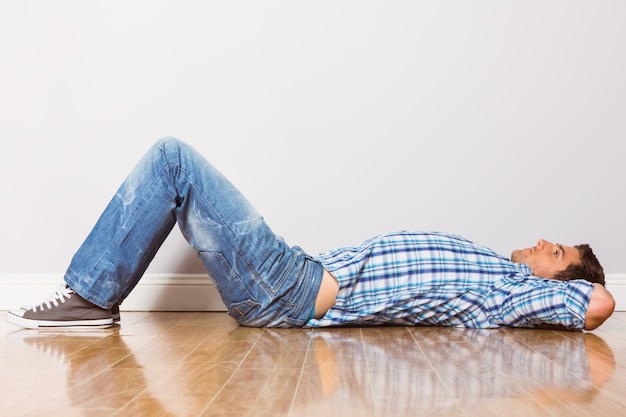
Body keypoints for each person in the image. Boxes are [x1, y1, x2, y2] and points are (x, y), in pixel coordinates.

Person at [6, 138, 615, 331]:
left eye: (555, 251)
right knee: (176, 169)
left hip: (288, 290)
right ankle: (95, 295)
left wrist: (572, 287)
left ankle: (91, 297)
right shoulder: (491, 265)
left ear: (557, 280)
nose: (542, 241)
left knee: (172, 159)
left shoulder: (513, 294)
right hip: (288, 274)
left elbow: (600, 303)